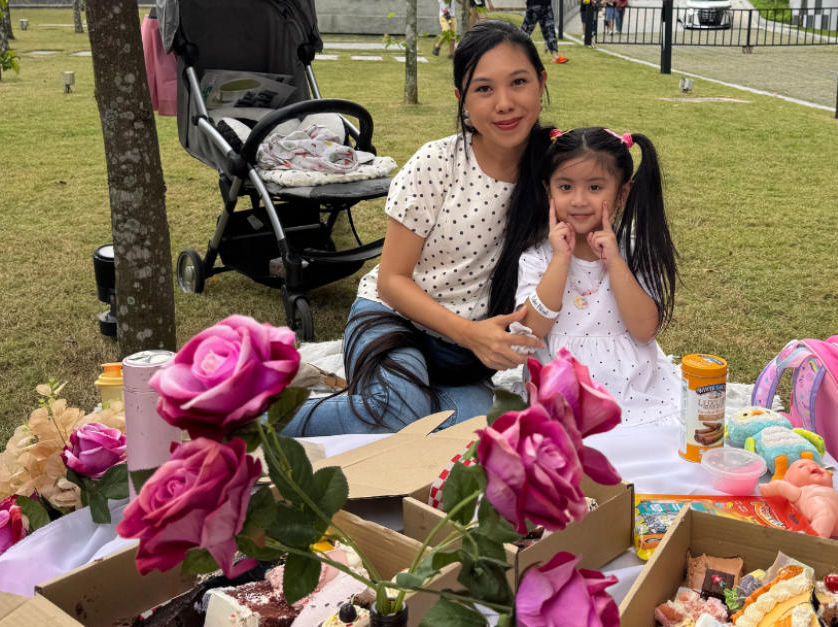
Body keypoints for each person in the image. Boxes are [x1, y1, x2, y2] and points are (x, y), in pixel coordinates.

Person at [285, 21, 550, 436]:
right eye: (483, 89)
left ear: (541, 82)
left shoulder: (556, 171)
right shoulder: (436, 164)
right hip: (392, 319)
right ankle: (252, 420)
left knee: (483, 428)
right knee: (400, 410)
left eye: (518, 82)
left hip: (461, 358)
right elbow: (391, 280)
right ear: (461, 99)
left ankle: (363, 399)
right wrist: (470, 333)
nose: (504, 103)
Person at [512, 127, 682, 426]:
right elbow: (530, 331)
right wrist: (560, 261)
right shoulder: (538, 256)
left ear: (622, 193)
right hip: (558, 393)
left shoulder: (633, 252)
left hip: (632, 388)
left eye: (594, 187)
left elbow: (645, 331)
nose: (578, 200)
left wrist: (615, 263)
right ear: (547, 190)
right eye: (565, 187)